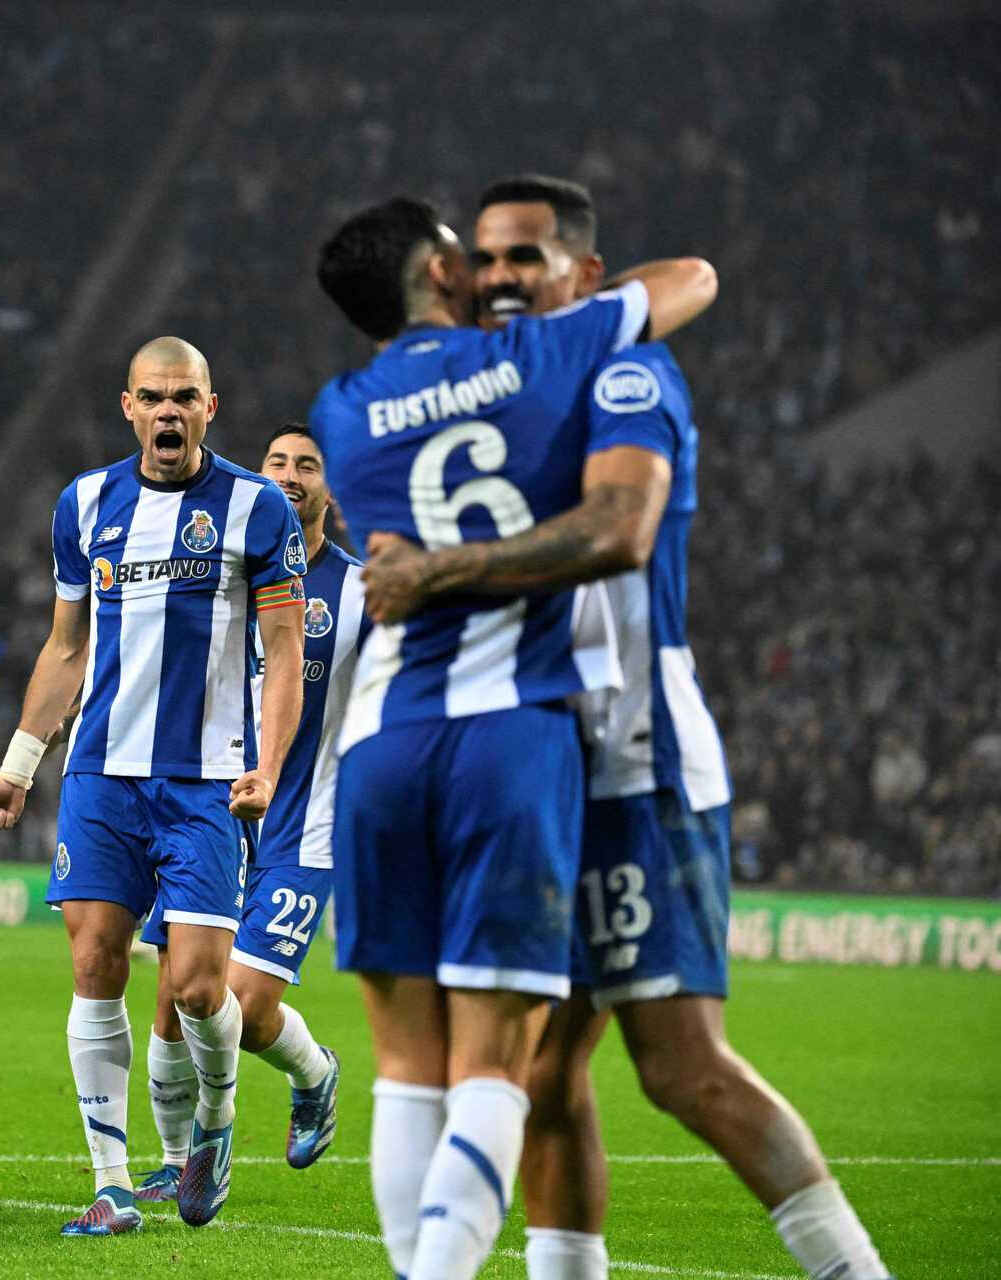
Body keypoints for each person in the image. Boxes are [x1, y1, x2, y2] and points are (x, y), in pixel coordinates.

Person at [367, 175, 890, 1280]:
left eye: (530, 257)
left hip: (631, 759)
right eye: (489, 261)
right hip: (527, 764)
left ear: (588, 276)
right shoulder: (492, 394)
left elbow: (621, 526)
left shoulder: (626, 368)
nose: (503, 279)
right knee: (542, 1076)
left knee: (683, 1067)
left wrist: (436, 570)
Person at [309, 195, 716, 1279]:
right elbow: (691, 277)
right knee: (498, 1067)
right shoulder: (543, 352)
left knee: (405, 1067)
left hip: (384, 743)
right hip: (513, 738)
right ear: (443, 270)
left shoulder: (342, 410)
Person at [0, 337, 307, 1237]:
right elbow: (66, 648)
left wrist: (267, 766)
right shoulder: (84, 504)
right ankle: (111, 1181)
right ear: (127, 406)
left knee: (198, 988)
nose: (167, 411)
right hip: (100, 774)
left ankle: (219, 1118)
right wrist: (18, 765)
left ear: (210, 406)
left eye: (183, 397)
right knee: (93, 967)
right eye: (152, 397)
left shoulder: (256, 508)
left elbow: (282, 660)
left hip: (206, 782)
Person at [132, 423, 364, 1201]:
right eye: (277, 463)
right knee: (175, 999)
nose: (290, 475)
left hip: (309, 826)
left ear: (331, 487)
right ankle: (175, 1162)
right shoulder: (225, 572)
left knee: (248, 1004)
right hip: (216, 811)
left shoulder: (363, 592)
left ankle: (315, 1072)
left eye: (308, 466)